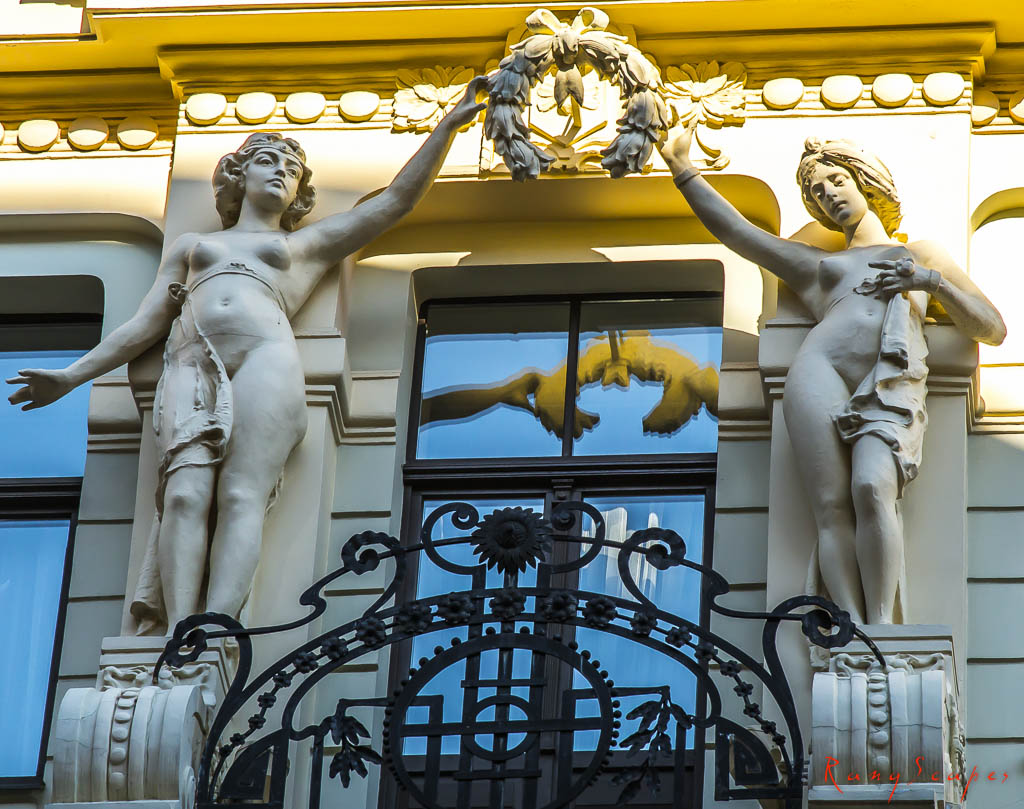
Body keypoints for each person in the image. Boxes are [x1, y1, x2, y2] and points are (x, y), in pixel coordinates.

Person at [7, 78, 488, 635]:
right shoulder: (192, 247)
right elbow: (145, 323)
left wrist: (447, 128)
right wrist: (71, 375)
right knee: (184, 495)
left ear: (300, 191)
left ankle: (213, 629)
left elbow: (393, 202)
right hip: (192, 362)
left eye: (292, 168)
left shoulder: (301, 247)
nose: (281, 171)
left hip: (266, 360)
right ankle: (179, 631)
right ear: (239, 175)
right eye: (267, 160)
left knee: (241, 494)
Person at [659, 124, 1005, 624]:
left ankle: (880, 625)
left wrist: (929, 283)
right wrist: (682, 169)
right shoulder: (819, 266)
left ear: (864, 180)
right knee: (831, 506)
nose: (830, 196)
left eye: (837, 181)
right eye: (818, 193)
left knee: (872, 487)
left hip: (887, 379)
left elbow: (991, 328)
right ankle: (850, 628)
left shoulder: (920, 255)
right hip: (819, 370)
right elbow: (739, 233)